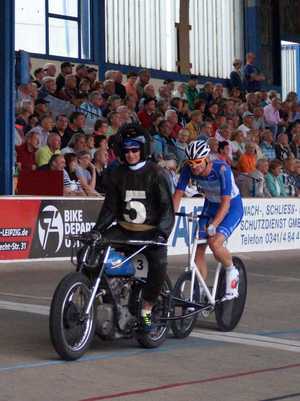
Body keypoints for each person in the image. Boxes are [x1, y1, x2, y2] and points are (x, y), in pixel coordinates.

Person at [90, 123, 175, 331]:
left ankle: (147, 309)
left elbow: (166, 209)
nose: (130, 155)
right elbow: (110, 207)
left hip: (150, 232)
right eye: (126, 151)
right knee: (91, 249)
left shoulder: (157, 173)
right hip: (123, 229)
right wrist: (96, 230)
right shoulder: (116, 173)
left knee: (158, 263)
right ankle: (92, 293)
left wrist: (162, 235)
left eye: (135, 150)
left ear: (143, 150)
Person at [173, 140, 243, 301]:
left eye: (197, 162)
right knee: (198, 247)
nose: (194, 167)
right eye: (191, 163)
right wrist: (169, 218)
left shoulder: (222, 169)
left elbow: (226, 203)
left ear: (206, 159)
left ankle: (232, 270)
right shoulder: (188, 169)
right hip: (210, 206)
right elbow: (177, 195)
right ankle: (200, 289)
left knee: (215, 243)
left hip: (231, 207)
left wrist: (214, 225)